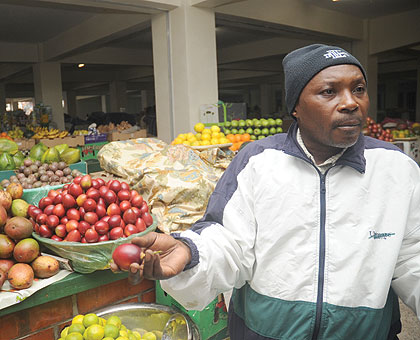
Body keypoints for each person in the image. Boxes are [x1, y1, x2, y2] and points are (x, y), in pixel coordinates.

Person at [112, 44, 420, 339]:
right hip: (265, 333)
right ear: (296, 107)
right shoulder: (257, 162)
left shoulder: (395, 169)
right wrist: (191, 253)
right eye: (329, 91)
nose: (351, 102)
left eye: (358, 89)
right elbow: (229, 242)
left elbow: (412, 256)